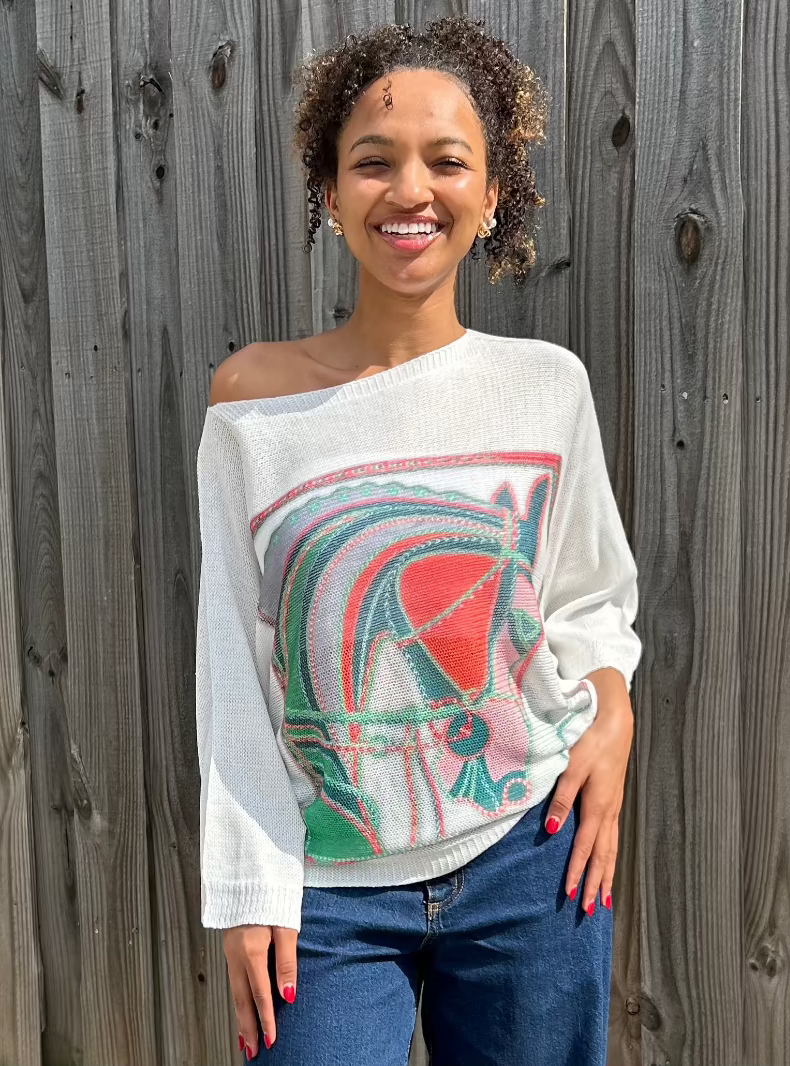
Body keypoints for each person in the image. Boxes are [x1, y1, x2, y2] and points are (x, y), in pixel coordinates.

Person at [194, 16, 641, 1066]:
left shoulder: (546, 387)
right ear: (329, 188)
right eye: (372, 161)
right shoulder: (252, 405)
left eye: (447, 161)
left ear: (492, 195)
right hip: (327, 890)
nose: (410, 189)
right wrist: (252, 883)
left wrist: (612, 713)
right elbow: (232, 664)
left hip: (532, 854)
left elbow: (588, 596)